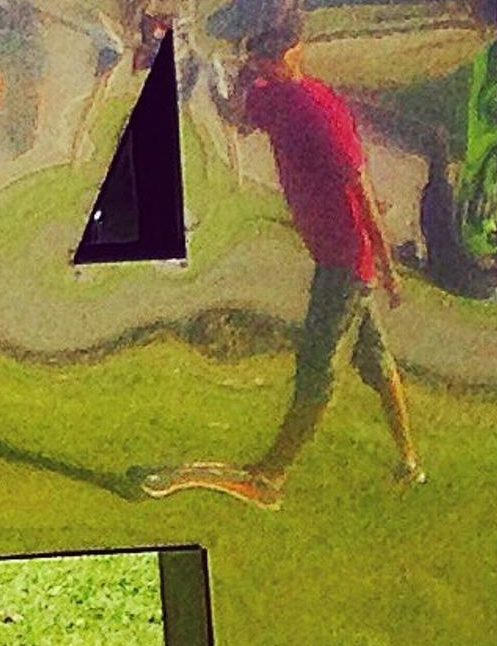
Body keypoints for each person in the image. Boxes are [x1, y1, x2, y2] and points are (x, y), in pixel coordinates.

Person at [143, 27, 422, 509]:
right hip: (329, 255)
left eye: (274, 58)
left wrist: (387, 267)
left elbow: (362, 196)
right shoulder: (271, 97)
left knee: (317, 370)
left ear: (296, 52)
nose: (269, 66)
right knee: (374, 361)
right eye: (262, 60)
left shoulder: (323, 111)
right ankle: (410, 462)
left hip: (346, 261)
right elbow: (239, 118)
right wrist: (215, 75)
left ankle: (270, 477)